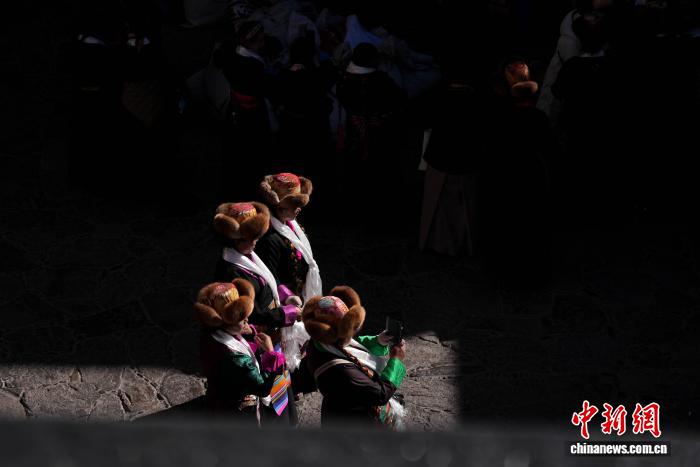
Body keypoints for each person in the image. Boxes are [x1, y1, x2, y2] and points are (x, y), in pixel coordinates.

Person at [212, 201, 302, 425]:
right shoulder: (232, 272)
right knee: (270, 385)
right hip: (259, 338)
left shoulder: (248, 255)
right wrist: (289, 313)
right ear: (233, 240)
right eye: (247, 239)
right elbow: (254, 314)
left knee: (281, 380)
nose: (254, 243)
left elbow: (268, 279)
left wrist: (285, 295)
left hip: (271, 333)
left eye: (255, 238)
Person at [302, 285, 407, 429]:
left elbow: (351, 347)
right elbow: (380, 394)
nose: (352, 333)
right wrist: (396, 360)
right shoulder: (341, 371)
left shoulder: (319, 341)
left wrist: (378, 341)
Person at [195, 280, 286, 426]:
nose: (247, 320)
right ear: (226, 322)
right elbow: (262, 388)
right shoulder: (236, 358)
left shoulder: (211, 335)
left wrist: (250, 331)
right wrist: (270, 353)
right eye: (241, 318)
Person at [419, 78, 483, 257]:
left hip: (441, 157)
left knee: (438, 206)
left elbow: (425, 120)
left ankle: (439, 244)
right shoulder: (477, 100)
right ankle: (463, 245)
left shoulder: (437, 96)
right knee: (465, 206)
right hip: (467, 160)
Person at [255, 173, 321, 303]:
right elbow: (268, 275)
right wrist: (287, 296)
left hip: (299, 294)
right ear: (280, 208)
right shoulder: (269, 238)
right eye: (295, 206)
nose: (299, 209)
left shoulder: (294, 227)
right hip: (282, 301)